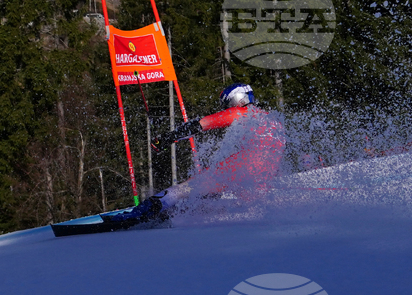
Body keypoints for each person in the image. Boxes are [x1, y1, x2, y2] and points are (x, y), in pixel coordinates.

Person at [103, 83, 286, 225]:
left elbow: (199, 124)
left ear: (236, 100)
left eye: (226, 104)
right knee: (217, 199)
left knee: (182, 190)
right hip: (261, 176)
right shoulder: (271, 120)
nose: (226, 109)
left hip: (241, 166)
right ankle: (188, 215)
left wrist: (167, 138)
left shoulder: (241, 113)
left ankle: (136, 216)